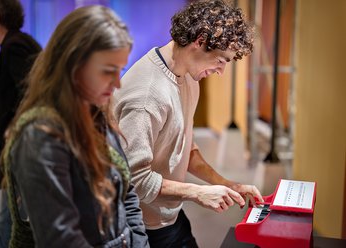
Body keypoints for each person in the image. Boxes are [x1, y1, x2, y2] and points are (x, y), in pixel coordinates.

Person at [113, 0, 264, 247]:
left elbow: (184, 148)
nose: (221, 71)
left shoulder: (188, 76)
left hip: (170, 216)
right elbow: (133, 179)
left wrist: (228, 184)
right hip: (142, 226)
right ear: (201, 41)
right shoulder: (147, 96)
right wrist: (196, 192)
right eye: (222, 60)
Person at [0, 5, 149, 248]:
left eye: (119, 70)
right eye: (108, 71)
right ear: (73, 65)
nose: (118, 83)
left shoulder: (97, 115)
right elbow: (61, 238)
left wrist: (139, 243)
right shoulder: (41, 136)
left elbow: (127, 194)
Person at [0, 0, 41, 247]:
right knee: (11, 219)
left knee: (9, 222)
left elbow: (34, 91)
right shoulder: (19, 43)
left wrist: (16, 125)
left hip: (21, 150)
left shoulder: (15, 47)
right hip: (24, 148)